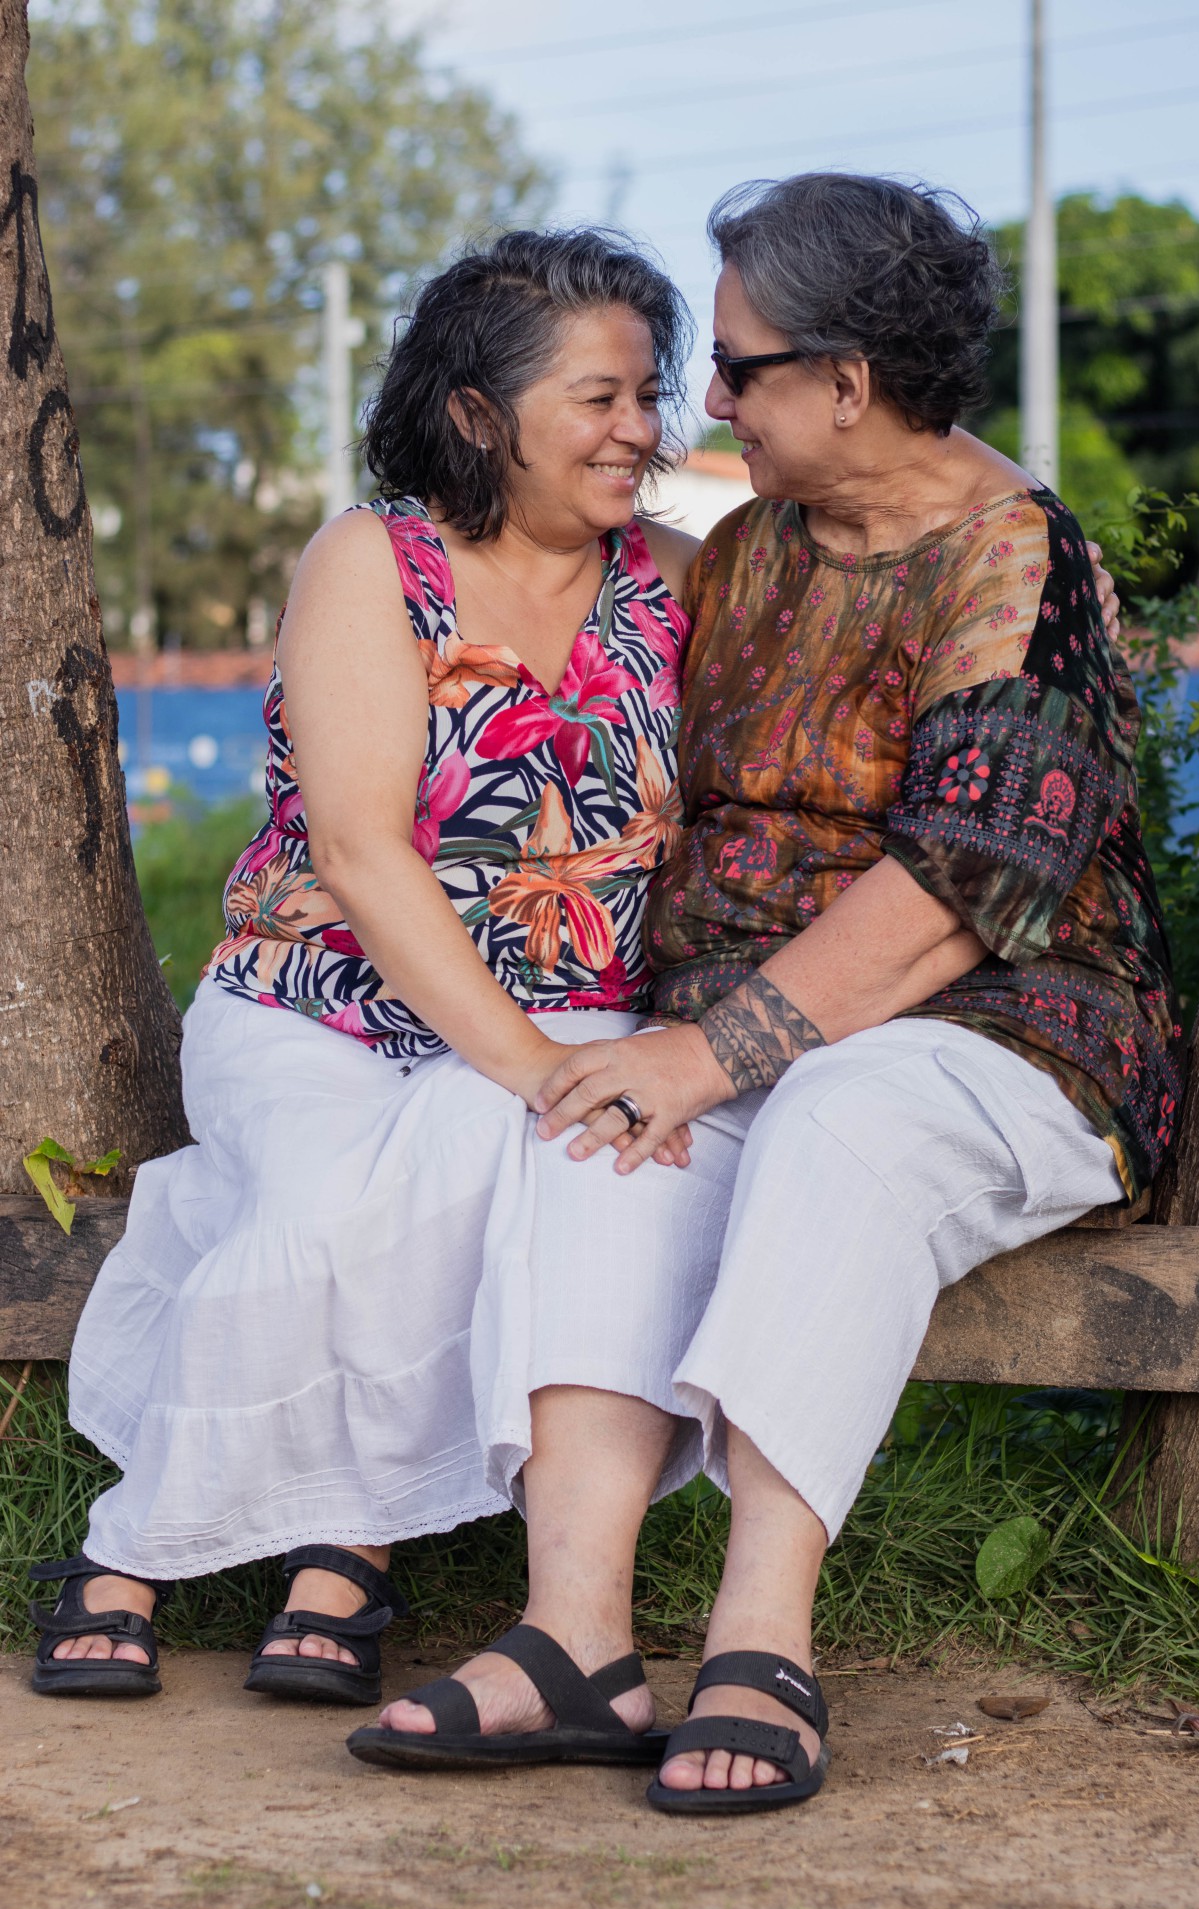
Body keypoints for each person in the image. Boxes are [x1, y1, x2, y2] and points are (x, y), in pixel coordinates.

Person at [356, 175, 1177, 1814]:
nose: (706, 401)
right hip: (745, 1032)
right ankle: (576, 1636)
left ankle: (763, 1633)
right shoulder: (746, 551)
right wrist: (658, 1058)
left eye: (735, 366)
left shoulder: (1018, 565)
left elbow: (969, 888)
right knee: (590, 1131)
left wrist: (713, 1052)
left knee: (840, 1122)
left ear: (848, 384)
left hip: (1005, 1035)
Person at [31, 228, 709, 1734]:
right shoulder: (370, 560)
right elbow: (357, 848)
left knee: (474, 1173)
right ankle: (183, 1543)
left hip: (577, 1005)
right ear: (478, 413)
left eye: (649, 396)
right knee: (336, 1203)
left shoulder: (674, 579)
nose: (642, 432)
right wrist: (528, 1064)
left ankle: (317, 1545)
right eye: (600, 398)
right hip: (309, 1001)